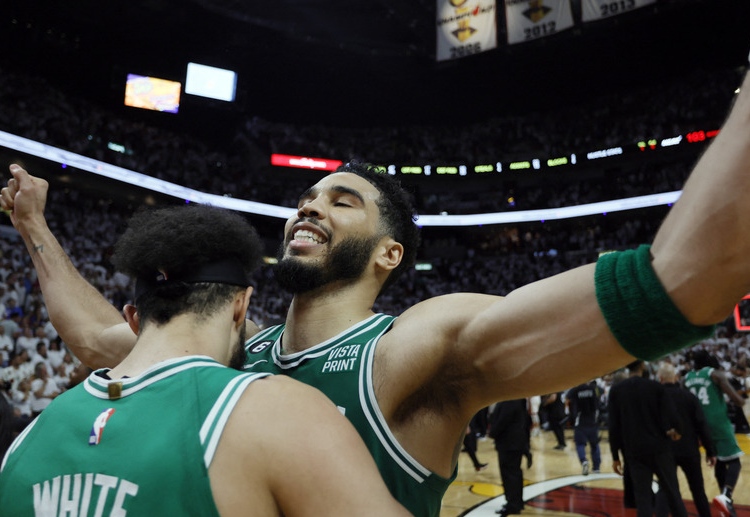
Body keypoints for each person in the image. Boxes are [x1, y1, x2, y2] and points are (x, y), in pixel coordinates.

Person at [5, 62, 750, 515]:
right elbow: (99, 342)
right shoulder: (232, 352)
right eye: (309, 196)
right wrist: (35, 223)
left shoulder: (413, 346)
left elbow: (678, 283)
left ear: (390, 252)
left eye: (342, 200)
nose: (309, 206)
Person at [0, 204, 410, 517]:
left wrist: (33, 224)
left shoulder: (28, 437)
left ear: (131, 317)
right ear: (240, 306)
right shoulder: (280, 409)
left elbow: (88, 336)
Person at [608, 360, 686, 517]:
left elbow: (613, 426)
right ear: (642, 367)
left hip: (634, 451)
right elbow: (672, 415)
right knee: (672, 493)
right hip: (659, 448)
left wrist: (616, 456)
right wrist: (678, 431)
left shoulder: (616, 390)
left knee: (643, 498)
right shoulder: (655, 387)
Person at [684, 350, 745, 517]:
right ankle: (726, 496)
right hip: (717, 422)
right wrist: (745, 396)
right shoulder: (714, 374)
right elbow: (737, 400)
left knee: (719, 461)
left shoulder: (687, 378)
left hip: (699, 426)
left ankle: (725, 504)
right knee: (734, 462)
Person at [655, 362, 716, 517]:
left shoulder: (655, 399)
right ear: (675, 377)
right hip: (689, 450)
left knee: (665, 489)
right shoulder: (689, 396)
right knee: (698, 490)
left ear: (660, 378)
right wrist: (710, 451)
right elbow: (702, 424)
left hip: (665, 451)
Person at [489, 399, 529, 517]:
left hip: (509, 443)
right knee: (515, 474)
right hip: (515, 443)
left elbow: (502, 421)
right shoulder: (518, 400)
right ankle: (517, 502)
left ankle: (512, 504)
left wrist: (492, 433)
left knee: (509, 474)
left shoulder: (510, 401)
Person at [566, 379, 602, 475]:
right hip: (592, 421)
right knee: (595, 445)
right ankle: (596, 467)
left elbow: (566, 398)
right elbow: (599, 402)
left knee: (580, 444)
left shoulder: (575, 390)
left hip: (580, 422)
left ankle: (584, 461)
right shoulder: (594, 389)